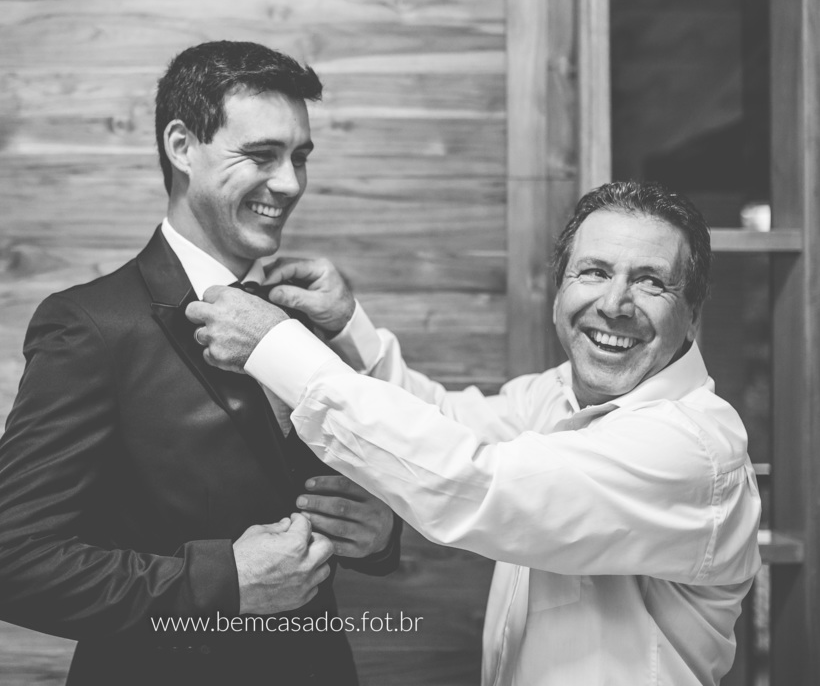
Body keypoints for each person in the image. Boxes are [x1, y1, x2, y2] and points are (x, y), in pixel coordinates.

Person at [187, 181, 763, 686]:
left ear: (693, 313)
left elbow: (472, 481)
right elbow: (443, 422)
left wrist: (277, 348)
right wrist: (346, 329)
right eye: (593, 272)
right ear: (559, 291)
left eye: (651, 282)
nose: (614, 304)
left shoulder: (693, 449)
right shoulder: (556, 394)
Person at [0, 40, 400, 686]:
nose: (290, 183)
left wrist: (378, 534)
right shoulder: (91, 325)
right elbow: (3, 564)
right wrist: (222, 582)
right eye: (262, 155)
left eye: (299, 157)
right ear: (181, 146)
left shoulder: (301, 320)